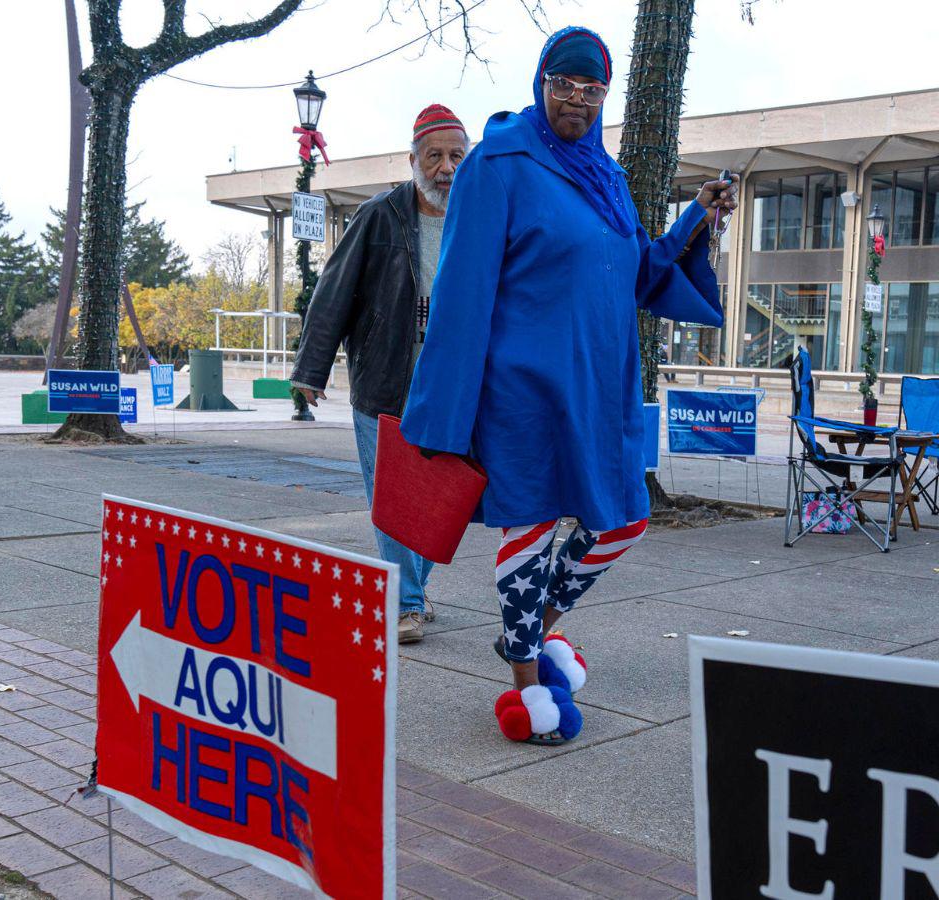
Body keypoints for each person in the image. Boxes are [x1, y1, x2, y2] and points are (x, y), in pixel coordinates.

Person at [400, 27, 736, 744]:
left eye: (591, 91)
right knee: (530, 525)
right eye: (563, 85)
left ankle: (526, 637)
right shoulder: (498, 164)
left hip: (601, 386)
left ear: (604, 97)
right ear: (540, 81)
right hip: (521, 388)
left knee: (622, 516)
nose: (575, 102)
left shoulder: (604, 175)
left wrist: (698, 217)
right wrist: (440, 417)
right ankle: (527, 691)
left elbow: (638, 268)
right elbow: (461, 288)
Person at [291, 104, 470, 645]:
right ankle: (407, 602)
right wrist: (311, 368)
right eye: (434, 156)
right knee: (393, 497)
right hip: (385, 379)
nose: (446, 168)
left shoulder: (480, 218)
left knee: (445, 500)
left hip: (454, 386)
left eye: (457, 156)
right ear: (412, 159)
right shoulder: (379, 215)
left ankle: (413, 589)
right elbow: (333, 292)